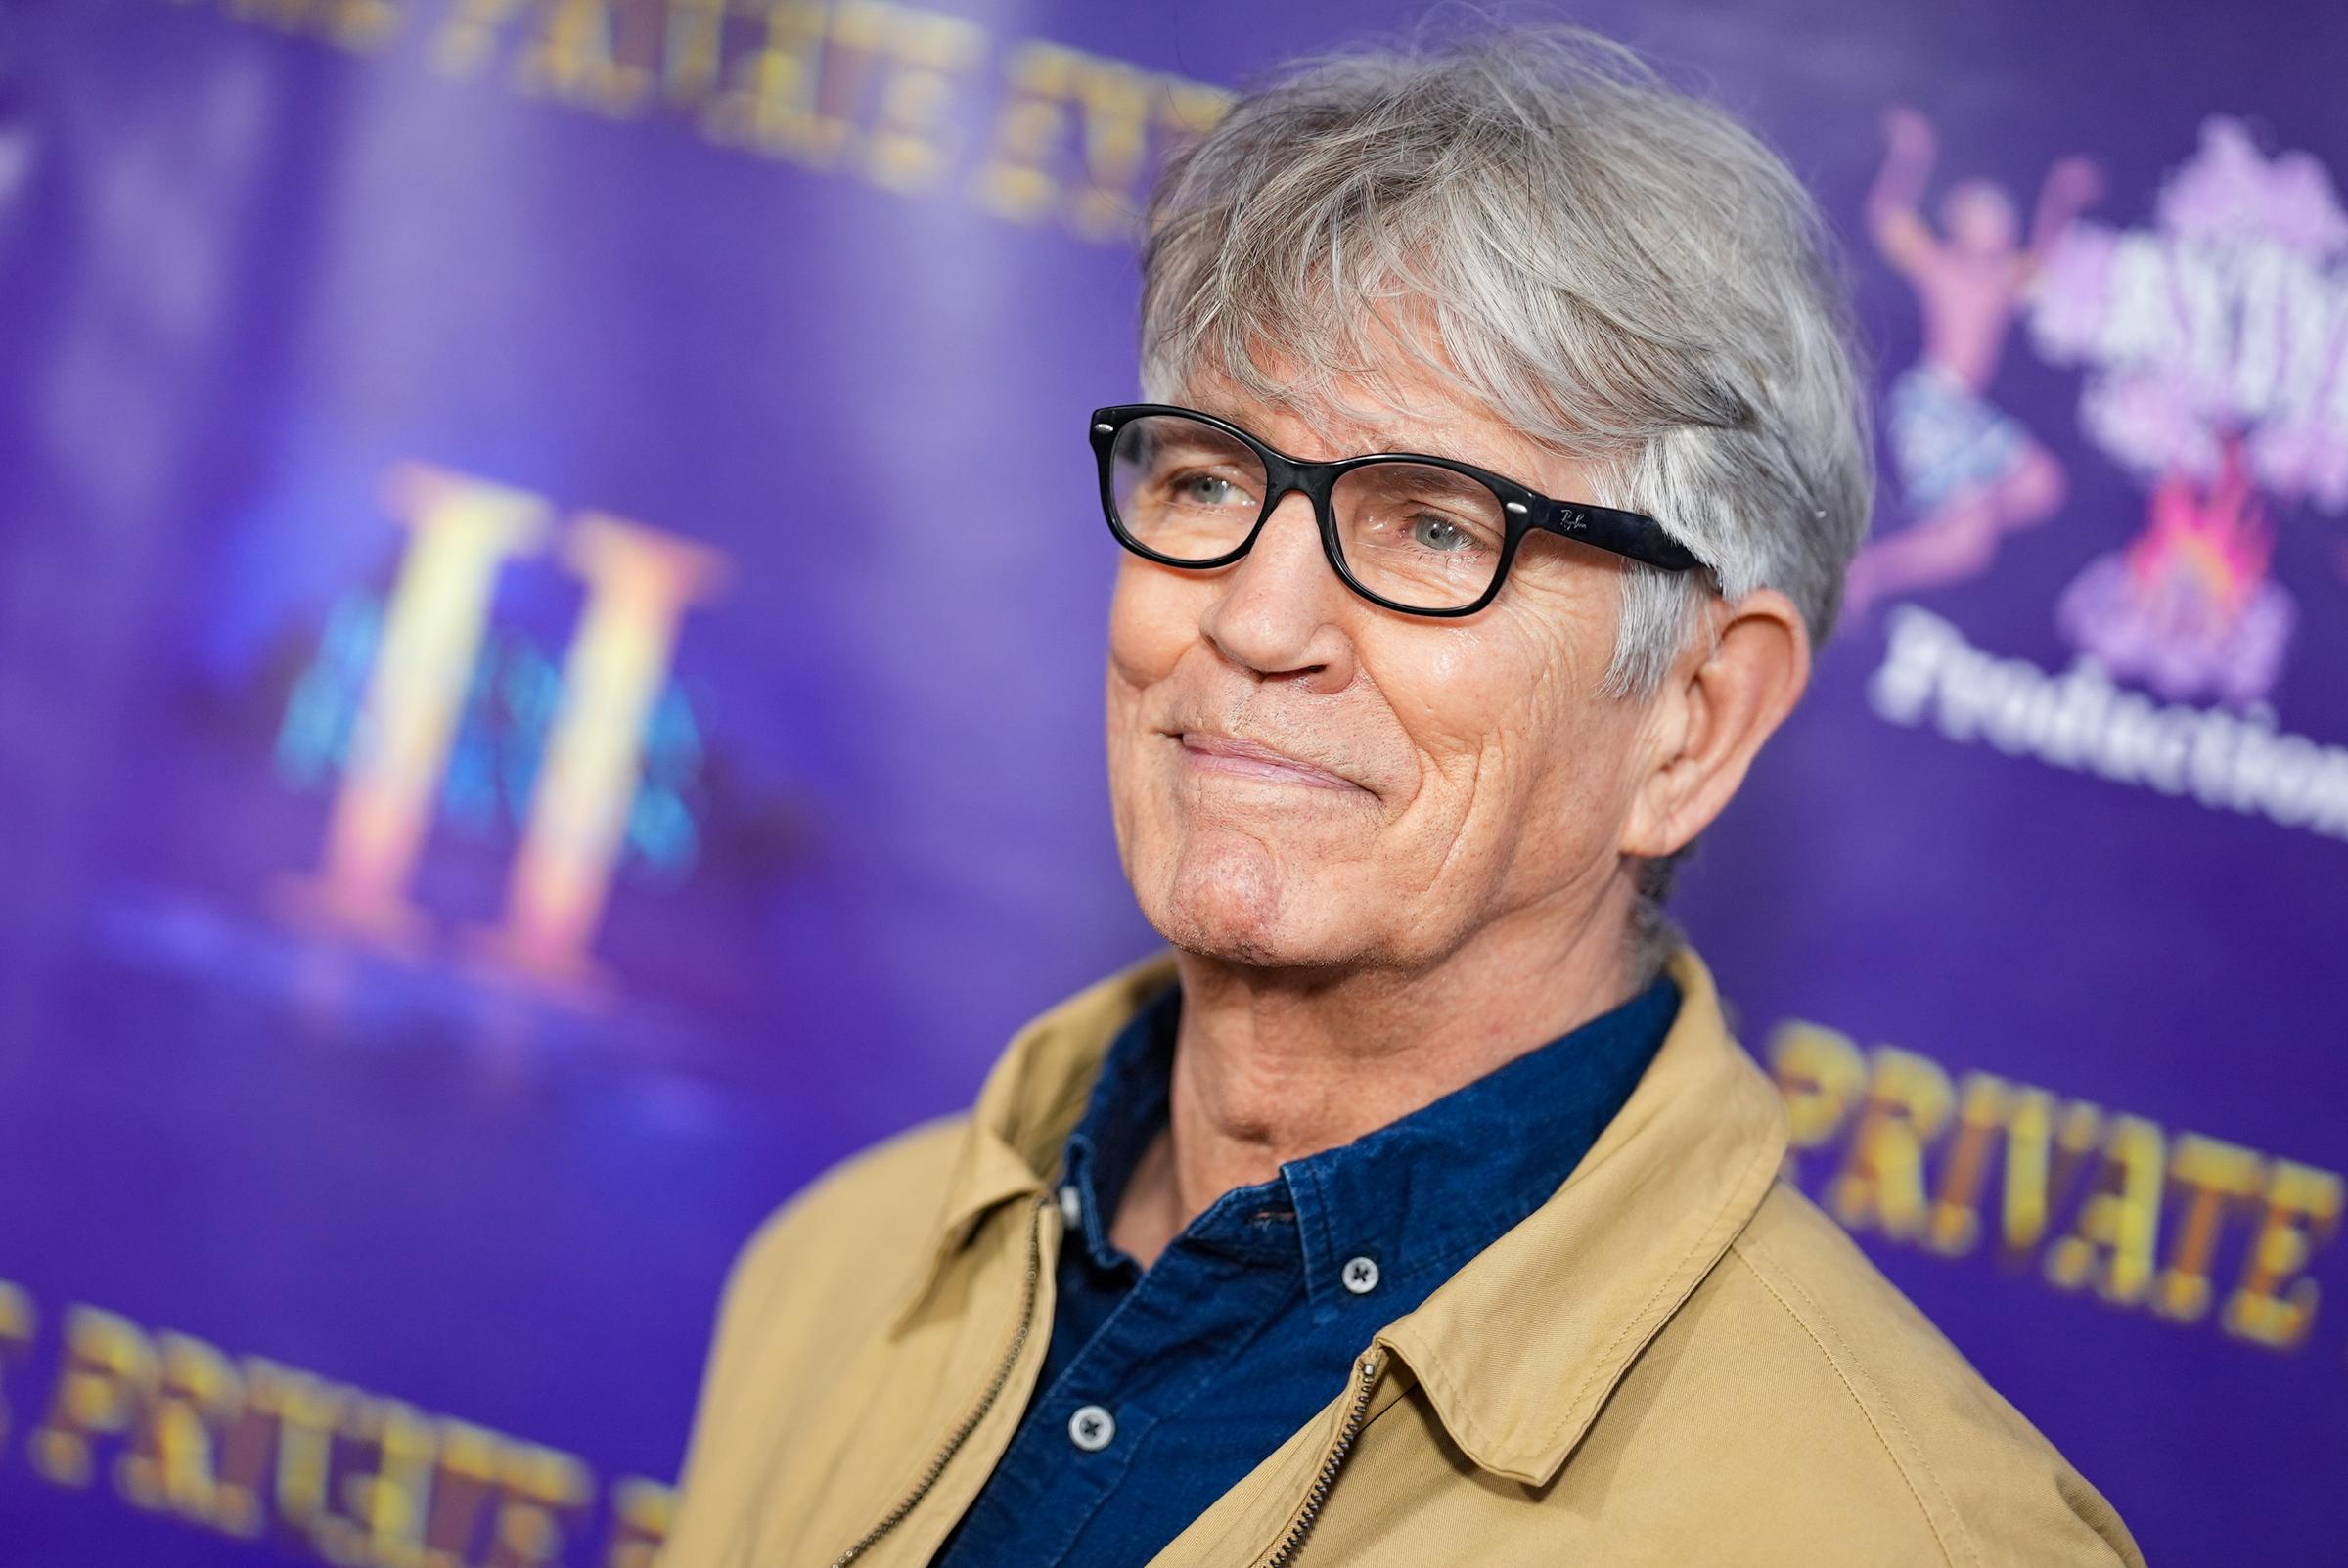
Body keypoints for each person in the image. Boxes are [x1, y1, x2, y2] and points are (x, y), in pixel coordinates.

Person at [658, 26, 2143, 1568]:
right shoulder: (834, 1277)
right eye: (1207, 480)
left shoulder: (1897, 1533)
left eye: (1437, 526)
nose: (1257, 619)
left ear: (1694, 719)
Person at [1843, 106, 2103, 615]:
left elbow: (2045, 257)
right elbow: (1887, 217)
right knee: (1969, 549)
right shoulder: (1942, 266)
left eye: (2003, 218)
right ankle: (1869, 572)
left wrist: (2062, 195)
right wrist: (1911, 156)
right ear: (1961, 224)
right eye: (1986, 215)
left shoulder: (2003, 279)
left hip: (1966, 412)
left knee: (2042, 485)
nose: (1999, 225)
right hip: (1931, 406)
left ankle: (1954, 525)